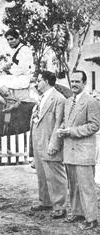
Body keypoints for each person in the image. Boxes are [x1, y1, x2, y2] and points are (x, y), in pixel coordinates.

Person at [58, 70, 100, 230]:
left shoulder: (92, 102)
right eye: (72, 81)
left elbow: (95, 125)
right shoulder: (68, 101)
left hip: (83, 151)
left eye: (77, 82)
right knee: (73, 185)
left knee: (86, 186)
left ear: (84, 83)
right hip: (69, 150)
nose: (74, 84)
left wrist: (71, 131)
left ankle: (91, 218)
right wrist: (62, 128)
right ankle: (77, 213)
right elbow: (66, 121)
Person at [30, 71, 67, 219]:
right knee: (42, 174)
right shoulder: (41, 98)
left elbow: (59, 123)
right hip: (38, 142)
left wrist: (54, 143)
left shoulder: (59, 99)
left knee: (55, 176)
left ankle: (60, 207)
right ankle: (45, 201)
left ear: (46, 81)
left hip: (50, 142)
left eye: (38, 81)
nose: (36, 84)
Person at [0, 29, 34, 111]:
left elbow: (23, 69)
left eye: (12, 39)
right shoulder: (17, 50)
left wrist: (8, 71)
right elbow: (13, 64)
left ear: (18, 39)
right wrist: (4, 68)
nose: (10, 41)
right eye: (8, 40)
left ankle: (11, 100)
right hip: (18, 77)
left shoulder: (24, 50)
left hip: (22, 79)